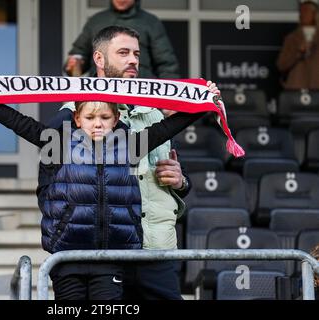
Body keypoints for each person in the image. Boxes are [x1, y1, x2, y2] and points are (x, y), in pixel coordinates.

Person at [45, 25, 220, 300]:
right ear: (99, 60)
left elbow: (175, 171)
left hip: (156, 251)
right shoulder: (72, 115)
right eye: (123, 52)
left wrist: (181, 181)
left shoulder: (154, 113)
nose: (133, 60)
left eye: (137, 54)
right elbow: (50, 186)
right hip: (103, 253)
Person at [65, 0, 180, 79]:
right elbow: (78, 55)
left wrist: (171, 98)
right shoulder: (96, 21)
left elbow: (166, 64)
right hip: (100, 91)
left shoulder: (150, 22)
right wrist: (74, 64)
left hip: (139, 90)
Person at [277, 0, 319, 89]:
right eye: (301, 12)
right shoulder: (291, 38)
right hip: (297, 87)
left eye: (306, 11)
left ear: (315, 14)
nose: (302, 15)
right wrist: (297, 53)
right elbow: (281, 65)